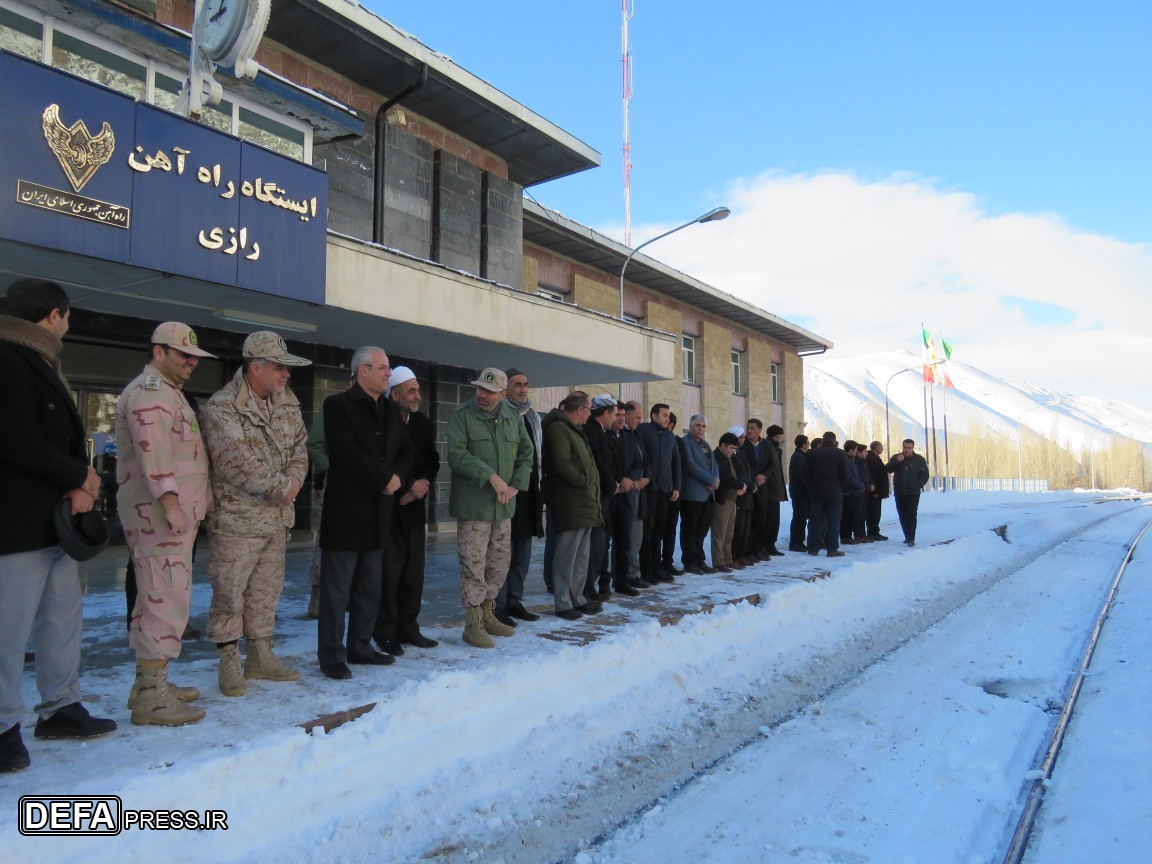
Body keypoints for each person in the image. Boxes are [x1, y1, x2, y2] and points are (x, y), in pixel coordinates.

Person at [0, 279, 115, 773]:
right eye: (67, 317)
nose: (69, 325)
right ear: (53, 315)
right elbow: (15, 441)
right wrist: (81, 474)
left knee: (61, 620)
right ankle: (3, 728)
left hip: (55, 524)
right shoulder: (7, 360)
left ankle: (61, 707)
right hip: (15, 524)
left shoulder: (40, 360)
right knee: (8, 630)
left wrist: (78, 485)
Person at [200, 332, 310, 696]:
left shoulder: (287, 403)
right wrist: (283, 488)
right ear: (255, 367)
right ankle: (229, 658)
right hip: (238, 520)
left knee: (266, 592)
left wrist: (294, 480)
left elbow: (300, 448)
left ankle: (260, 654)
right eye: (279, 368)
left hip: (276, 519)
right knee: (230, 592)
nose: (286, 375)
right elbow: (233, 461)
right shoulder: (222, 406)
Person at [118, 321, 215, 725]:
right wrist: (173, 505)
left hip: (170, 517)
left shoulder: (170, 394)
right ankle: (152, 701)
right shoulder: (150, 394)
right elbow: (154, 456)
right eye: (183, 355)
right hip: (160, 517)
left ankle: (149, 684)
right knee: (165, 598)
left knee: (154, 596)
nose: (191, 362)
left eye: (195, 356)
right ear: (159, 352)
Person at [317, 346, 412, 679]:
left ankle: (360, 646)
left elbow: (405, 450)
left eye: (389, 368)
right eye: (384, 368)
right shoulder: (338, 406)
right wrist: (385, 479)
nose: (389, 373)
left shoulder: (389, 409)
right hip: (346, 515)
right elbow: (345, 454)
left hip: (378, 517)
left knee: (369, 588)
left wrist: (397, 477)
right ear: (363, 371)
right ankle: (331, 655)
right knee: (336, 590)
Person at [447, 368, 533, 648]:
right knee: (473, 564)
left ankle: (487, 613)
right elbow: (457, 455)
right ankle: (472, 623)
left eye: (489, 391)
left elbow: (526, 453)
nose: (482, 395)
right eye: (480, 389)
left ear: (503, 394)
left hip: (504, 506)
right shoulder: (462, 415)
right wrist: (491, 477)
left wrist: (516, 485)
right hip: (475, 506)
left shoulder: (513, 418)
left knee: (498, 564)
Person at [373, 366, 440, 652]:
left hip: (414, 511)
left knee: (413, 574)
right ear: (395, 393)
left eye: (418, 390)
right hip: (388, 509)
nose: (417, 396)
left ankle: (408, 628)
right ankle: (385, 632)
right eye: (411, 390)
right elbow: (382, 462)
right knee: (389, 576)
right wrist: (408, 486)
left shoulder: (421, 423)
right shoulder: (380, 420)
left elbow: (432, 459)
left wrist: (423, 482)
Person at [541, 392, 601, 619]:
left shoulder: (575, 430)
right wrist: (585, 481)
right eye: (588, 410)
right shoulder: (559, 429)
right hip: (570, 502)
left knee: (581, 555)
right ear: (579, 410)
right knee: (567, 554)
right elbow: (561, 463)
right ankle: (563, 602)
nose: (589, 415)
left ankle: (577, 597)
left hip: (584, 502)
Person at [495, 368, 543, 626]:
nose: (523, 389)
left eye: (525, 384)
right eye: (517, 384)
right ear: (505, 388)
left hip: (529, 492)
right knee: (504, 552)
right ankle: (499, 605)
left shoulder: (533, 416)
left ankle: (515, 600)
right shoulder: (501, 414)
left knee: (523, 551)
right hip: (508, 491)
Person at [637, 403, 681, 584]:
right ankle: (646, 570)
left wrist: (676, 486)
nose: (667, 418)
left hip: (665, 490)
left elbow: (676, 463)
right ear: (653, 416)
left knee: (659, 531)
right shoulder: (643, 430)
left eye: (668, 415)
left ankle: (657, 567)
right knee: (647, 531)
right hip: (648, 489)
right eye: (664, 415)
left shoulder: (670, 436)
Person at [582, 393, 618, 605]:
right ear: (605, 413)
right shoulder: (591, 431)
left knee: (600, 544)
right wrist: (612, 484)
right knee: (594, 546)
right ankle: (587, 587)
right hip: (597, 497)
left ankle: (591, 586)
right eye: (614, 414)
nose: (615, 418)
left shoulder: (599, 431)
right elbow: (599, 462)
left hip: (604, 497)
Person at [679, 415, 720, 575]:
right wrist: (710, 480)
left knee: (702, 530)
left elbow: (714, 464)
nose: (700, 429)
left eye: (703, 426)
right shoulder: (685, 442)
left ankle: (699, 559)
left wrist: (715, 479)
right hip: (693, 494)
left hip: (708, 494)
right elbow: (690, 465)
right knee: (690, 529)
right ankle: (689, 561)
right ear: (690, 426)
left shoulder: (705, 444)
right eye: (697, 425)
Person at [622, 402, 652, 587]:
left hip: (640, 492)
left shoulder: (637, 434)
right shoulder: (622, 436)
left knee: (637, 536)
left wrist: (647, 478)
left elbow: (646, 461)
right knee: (625, 537)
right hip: (625, 493)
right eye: (638, 417)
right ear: (626, 415)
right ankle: (624, 575)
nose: (640, 421)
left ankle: (633, 573)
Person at [806, 431, 848, 558]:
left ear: (823, 440)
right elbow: (845, 474)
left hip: (816, 492)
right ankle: (832, 549)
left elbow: (805, 473)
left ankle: (813, 548)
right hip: (834, 492)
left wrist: (811, 486)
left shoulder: (811, 453)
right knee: (834, 521)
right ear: (834, 441)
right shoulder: (840, 453)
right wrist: (842, 488)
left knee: (814, 520)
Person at [711, 431, 747, 572]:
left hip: (732, 498)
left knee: (729, 532)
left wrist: (742, 485)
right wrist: (740, 485)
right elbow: (725, 477)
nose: (733, 451)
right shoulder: (717, 457)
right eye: (731, 448)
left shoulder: (730, 457)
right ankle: (719, 562)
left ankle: (727, 558)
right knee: (720, 532)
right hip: (722, 499)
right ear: (723, 445)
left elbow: (739, 474)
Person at [888, 439, 930, 546]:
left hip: (913, 492)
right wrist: (897, 461)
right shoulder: (896, 457)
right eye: (905, 448)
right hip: (900, 491)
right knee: (902, 515)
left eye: (909, 448)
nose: (907, 450)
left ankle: (911, 538)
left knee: (911, 515)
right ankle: (907, 536)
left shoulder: (919, 459)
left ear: (913, 448)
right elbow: (887, 469)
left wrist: (919, 484)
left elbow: (925, 474)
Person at [787, 435, 810, 551]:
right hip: (799, 492)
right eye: (808, 443)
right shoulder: (798, 457)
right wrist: (808, 484)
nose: (809, 445)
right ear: (803, 444)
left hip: (801, 491)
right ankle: (795, 542)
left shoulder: (801, 456)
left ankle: (799, 541)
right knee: (799, 517)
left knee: (801, 517)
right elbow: (797, 476)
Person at [865, 441, 890, 540]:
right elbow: (873, 476)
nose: (882, 448)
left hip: (878, 491)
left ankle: (874, 531)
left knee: (876, 512)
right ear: (876, 448)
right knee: (873, 512)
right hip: (874, 492)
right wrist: (875, 491)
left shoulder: (875, 458)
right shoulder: (872, 459)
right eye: (881, 446)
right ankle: (873, 532)